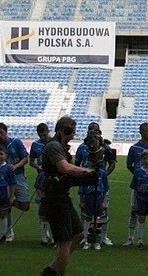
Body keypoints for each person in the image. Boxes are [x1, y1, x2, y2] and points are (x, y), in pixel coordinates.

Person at [40, 115, 97, 276]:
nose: (73, 135)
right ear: (64, 130)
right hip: (55, 199)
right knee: (64, 242)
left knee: (78, 235)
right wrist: (87, 171)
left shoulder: (61, 146)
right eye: (71, 131)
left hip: (62, 196)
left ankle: (51, 269)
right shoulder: (54, 146)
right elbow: (65, 168)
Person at [75, 122, 116, 246]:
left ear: (99, 131)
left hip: (100, 184)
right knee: (85, 210)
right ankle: (85, 236)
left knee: (103, 209)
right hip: (86, 182)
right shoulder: (81, 147)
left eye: (95, 129)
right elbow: (76, 165)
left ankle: (103, 237)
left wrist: (103, 176)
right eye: (90, 129)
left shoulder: (106, 147)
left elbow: (112, 164)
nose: (92, 131)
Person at [0, 122, 30, 242]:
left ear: (6, 131)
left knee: (25, 206)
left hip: (18, 176)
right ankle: (9, 233)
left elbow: (25, 159)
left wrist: (15, 166)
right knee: (6, 207)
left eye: (1, 132)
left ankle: (10, 201)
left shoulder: (16, 142)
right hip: (6, 181)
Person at [30, 122, 52, 244]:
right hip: (41, 178)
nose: (43, 137)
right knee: (42, 207)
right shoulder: (35, 144)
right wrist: (37, 167)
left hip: (52, 178)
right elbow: (31, 161)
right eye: (40, 135)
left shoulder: (53, 143)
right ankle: (44, 234)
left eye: (44, 134)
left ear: (48, 132)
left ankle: (51, 234)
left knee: (52, 207)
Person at [34, 170, 54, 246]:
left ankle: (53, 239)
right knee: (43, 217)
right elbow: (37, 186)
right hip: (44, 199)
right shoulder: (41, 174)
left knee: (53, 218)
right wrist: (42, 195)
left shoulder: (56, 174)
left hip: (54, 199)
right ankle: (44, 239)